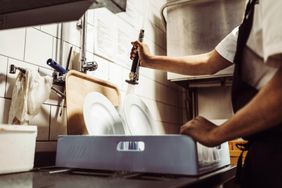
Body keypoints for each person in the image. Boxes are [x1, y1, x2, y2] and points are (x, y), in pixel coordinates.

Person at [130, 0, 282, 187]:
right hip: (263, 155)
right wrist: (150, 61)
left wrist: (216, 133)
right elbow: (208, 62)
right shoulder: (250, 19)